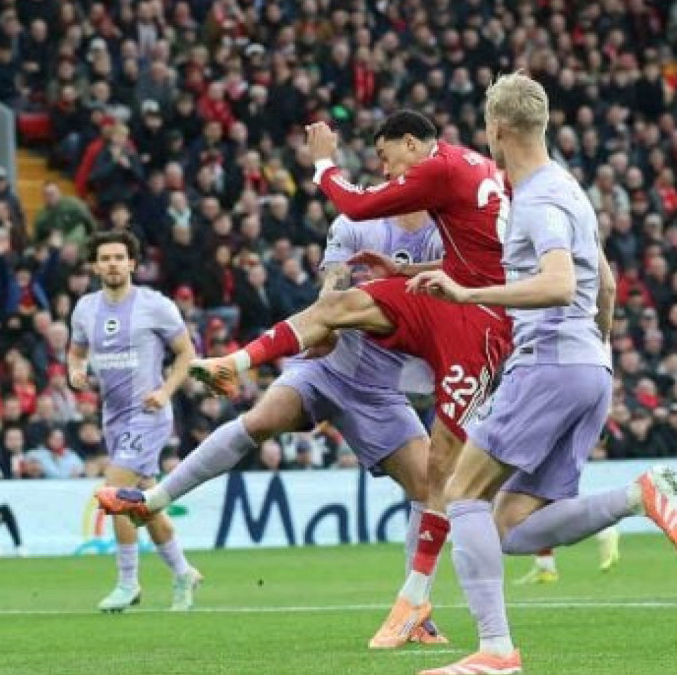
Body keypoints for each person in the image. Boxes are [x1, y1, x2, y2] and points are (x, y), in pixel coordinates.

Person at [186, 109, 513, 645]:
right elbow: (475, 257)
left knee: (442, 466)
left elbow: (357, 203)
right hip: (447, 292)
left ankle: (416, 597)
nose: (385, 168)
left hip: (481, 322)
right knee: (338, 304)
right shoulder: (470, 165)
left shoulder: (439, 167)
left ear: (412, 143)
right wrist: (406, 271)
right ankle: (236, 362)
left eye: (386, 156)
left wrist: (323, 164)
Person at [413, 73, 677, 675]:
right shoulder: (570, 189)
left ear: (498, 130)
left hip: (548, 362)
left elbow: (560, 283)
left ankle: (496, 652)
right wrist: (596, 352)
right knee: (511, 526)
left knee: (461, 493)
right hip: (587, 368)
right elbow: (607, 286)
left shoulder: (539, 199)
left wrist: (467, 296)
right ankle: (637, 496)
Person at [99, 212, 451, 645]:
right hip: (324, 366)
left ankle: (415, 609)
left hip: (380, 390)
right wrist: (326, 318)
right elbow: (333, 284)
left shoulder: (446, 230)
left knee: (428, 489)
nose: (394, 178)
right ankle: (152, 500)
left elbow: (460, 282)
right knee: (260, 420)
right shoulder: (357, 222)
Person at [70, 231, 202, 612]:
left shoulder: (155, 305)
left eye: (119, 257)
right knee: (145, 505)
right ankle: (183, 573)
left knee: (115, 492)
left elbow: (186, 353)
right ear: (95, 266)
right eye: (105, 258)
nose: (112, 264)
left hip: (148, 415)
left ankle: (128, 583)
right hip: (113, 418)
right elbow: (76, 352)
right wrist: (75, 371)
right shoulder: (85, 309)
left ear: (132, 263)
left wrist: (165, 391)